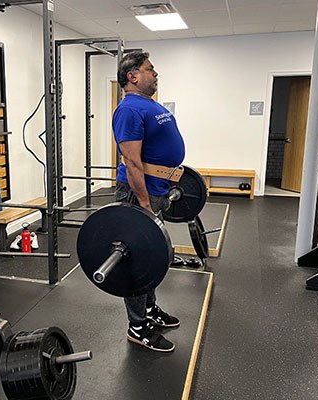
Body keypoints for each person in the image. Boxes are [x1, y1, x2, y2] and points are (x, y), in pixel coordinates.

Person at [113, 51, 185, 352]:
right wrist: (143, 204)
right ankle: (137, 325)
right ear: (133, 76)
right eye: (150, 69)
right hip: (139, 194)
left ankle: (150, 309)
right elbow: (131, 162)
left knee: (152, 255)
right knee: (138, 260)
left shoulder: (148, 105)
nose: (155, 74)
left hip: (157, 190)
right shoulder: (129, 110)